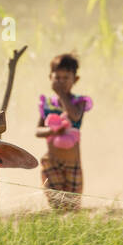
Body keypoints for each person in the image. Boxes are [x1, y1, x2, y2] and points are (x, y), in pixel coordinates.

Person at [35, 53, 92, 210]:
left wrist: (61, 94)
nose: (61, 82)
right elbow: (38, 131)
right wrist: (52, 131)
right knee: (57, 203)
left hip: (73, 164)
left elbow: (74, 116)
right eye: (57, 78)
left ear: (75, 79)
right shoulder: (46, 104)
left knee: (73, 205)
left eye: (66, 78)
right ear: (50, 78)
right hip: (52, 161)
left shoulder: (79, 102)